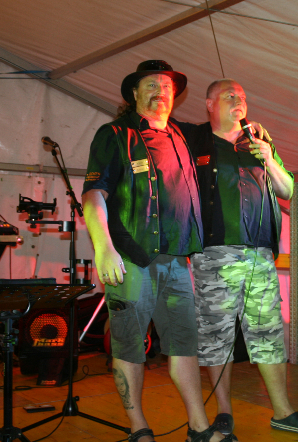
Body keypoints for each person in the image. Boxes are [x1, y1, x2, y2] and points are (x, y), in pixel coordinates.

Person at [82, 61, 235, 442]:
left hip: (178, 262)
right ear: (134, 93)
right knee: (129, 346)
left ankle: (198, 428)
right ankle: (139, 429)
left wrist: (247, 122)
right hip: (132, 259)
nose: (160, 91)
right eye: (151, 85)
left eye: (166, 86)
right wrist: (103, 248)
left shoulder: (183, 136)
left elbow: (224, 129)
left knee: (184, 345)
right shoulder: (115, 134)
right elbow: (93, 195)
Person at [180, 79, 298, 435]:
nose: (238, 100)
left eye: (243, 96)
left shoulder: (258, 141)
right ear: (210, 104)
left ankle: (283, 412)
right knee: (217, 337)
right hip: (214, 254)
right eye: (230, 95)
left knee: (268, 333)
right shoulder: (195, 139)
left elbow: (287, 189)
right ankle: (224, 411)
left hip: (259, 255)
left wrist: (269, 158)